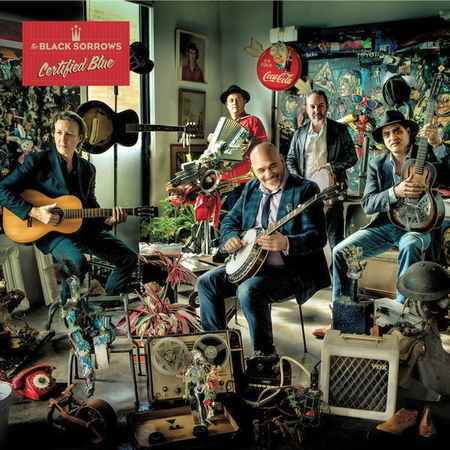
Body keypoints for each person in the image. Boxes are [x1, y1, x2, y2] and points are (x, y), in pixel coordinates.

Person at [197, 142, 330, 355]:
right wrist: (230, 237)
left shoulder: (305, 190)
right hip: (250, 266)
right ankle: (218, 350)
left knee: (248, 290)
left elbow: (317, 237)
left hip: (290, 270)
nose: (268, 174)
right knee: (206, 283)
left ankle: (264, 357)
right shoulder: (251, 188)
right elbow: (230, 221)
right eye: (261, 170)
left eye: (273, 166)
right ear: (253, 170)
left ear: (282, 160)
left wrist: (286, 243)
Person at [0, 111, 137, 304]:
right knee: (76, 263)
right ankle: (69, 312)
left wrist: (108, 220)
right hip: (51, 232)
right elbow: (2, 189)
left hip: (82, 229)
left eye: (69, 134)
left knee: (128, 258)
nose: (62, 139)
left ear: (80, 138)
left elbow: (90, 207)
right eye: (58, 132)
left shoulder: (88, 169)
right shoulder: (37, 161)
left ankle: (107, 303)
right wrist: (34, 211)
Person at [332, 110, 446, 309]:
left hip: (419, 228)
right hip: (386, 226)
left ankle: (401, 310)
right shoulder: (377, 164)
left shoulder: (425, 154)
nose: (392, 137)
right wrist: (394, 192)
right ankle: (343, 310)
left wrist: (438, 145)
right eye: (387, 134)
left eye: (397, 131)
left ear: (408, 132)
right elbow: (368, 204)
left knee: (410, 244)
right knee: (340, 252)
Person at [286, 90, 357, 250]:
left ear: (327, 106)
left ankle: (337, 267)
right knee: (308, 237)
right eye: (312, 106)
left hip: (332, 191)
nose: (316, 110)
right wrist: (298, 180)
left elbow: (352, 157)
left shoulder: (339, 130)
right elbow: (290, 159)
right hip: (306, 193)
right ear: (306, 108)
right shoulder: (299, 133)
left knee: (335, 239)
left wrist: (332, 166)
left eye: (320, 106)